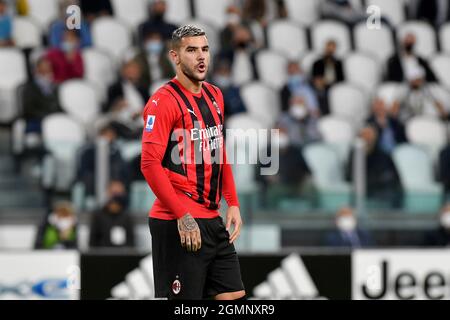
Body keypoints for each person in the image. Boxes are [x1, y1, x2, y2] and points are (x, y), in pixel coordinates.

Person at [141, 25, 245, 300]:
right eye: (191, 50)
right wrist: (182, 216)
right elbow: (149, 164)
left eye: (205, 49)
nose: (201, 57)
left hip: (212, 218)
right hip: (178, 219)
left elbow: (218, 150)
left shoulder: (215, 95)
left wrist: (231, 201)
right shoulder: (163, 102)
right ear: (174, 57)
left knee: (233, 298)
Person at [346, 126, 403, 208]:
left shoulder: (383, 155)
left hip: (384, 189)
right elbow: (349, 175)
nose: (368, 140)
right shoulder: (355, 155)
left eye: (370, 137)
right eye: (365, 136)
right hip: (365, 188)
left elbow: (395, 176)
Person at [76, 124, 128, 196]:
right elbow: (84, 172)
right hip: (93, 185)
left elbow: (121, 168)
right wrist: (108, 184)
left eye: (112, 135)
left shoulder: (116, 152)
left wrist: (117, 181)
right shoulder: (88, 152)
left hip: (113, 185)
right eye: (107, 135)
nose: (110, 138)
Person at [89, 181, 135, 248]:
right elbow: (92, 243)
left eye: (119, 194)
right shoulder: (98, 216)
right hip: (102, 255)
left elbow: (131, 242)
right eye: (114, 193)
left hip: (122, 255)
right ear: (108, 193)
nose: (116, 197)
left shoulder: (126, 217)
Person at [22, 57, 60, 135]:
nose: (47, 70)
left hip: (54, 120)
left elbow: (59, 105)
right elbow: (29, 109)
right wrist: (47, 117)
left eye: (49, 68)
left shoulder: (55, 87)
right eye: (44, 68)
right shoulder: (30, 88)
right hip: (36, 121)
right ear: (37, 69)